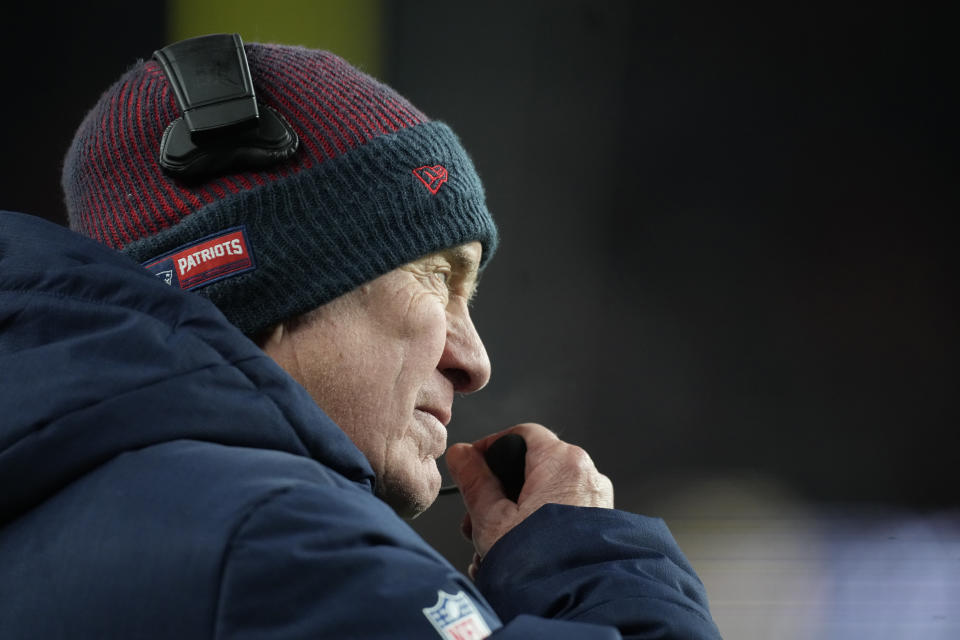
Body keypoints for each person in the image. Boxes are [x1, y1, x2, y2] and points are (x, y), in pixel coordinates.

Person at [0, 35, 721, 639]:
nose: (474, 362)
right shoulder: (278, 545)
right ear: (268, 287)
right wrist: (592, 569)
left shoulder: (57, 521)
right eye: (437, 278)